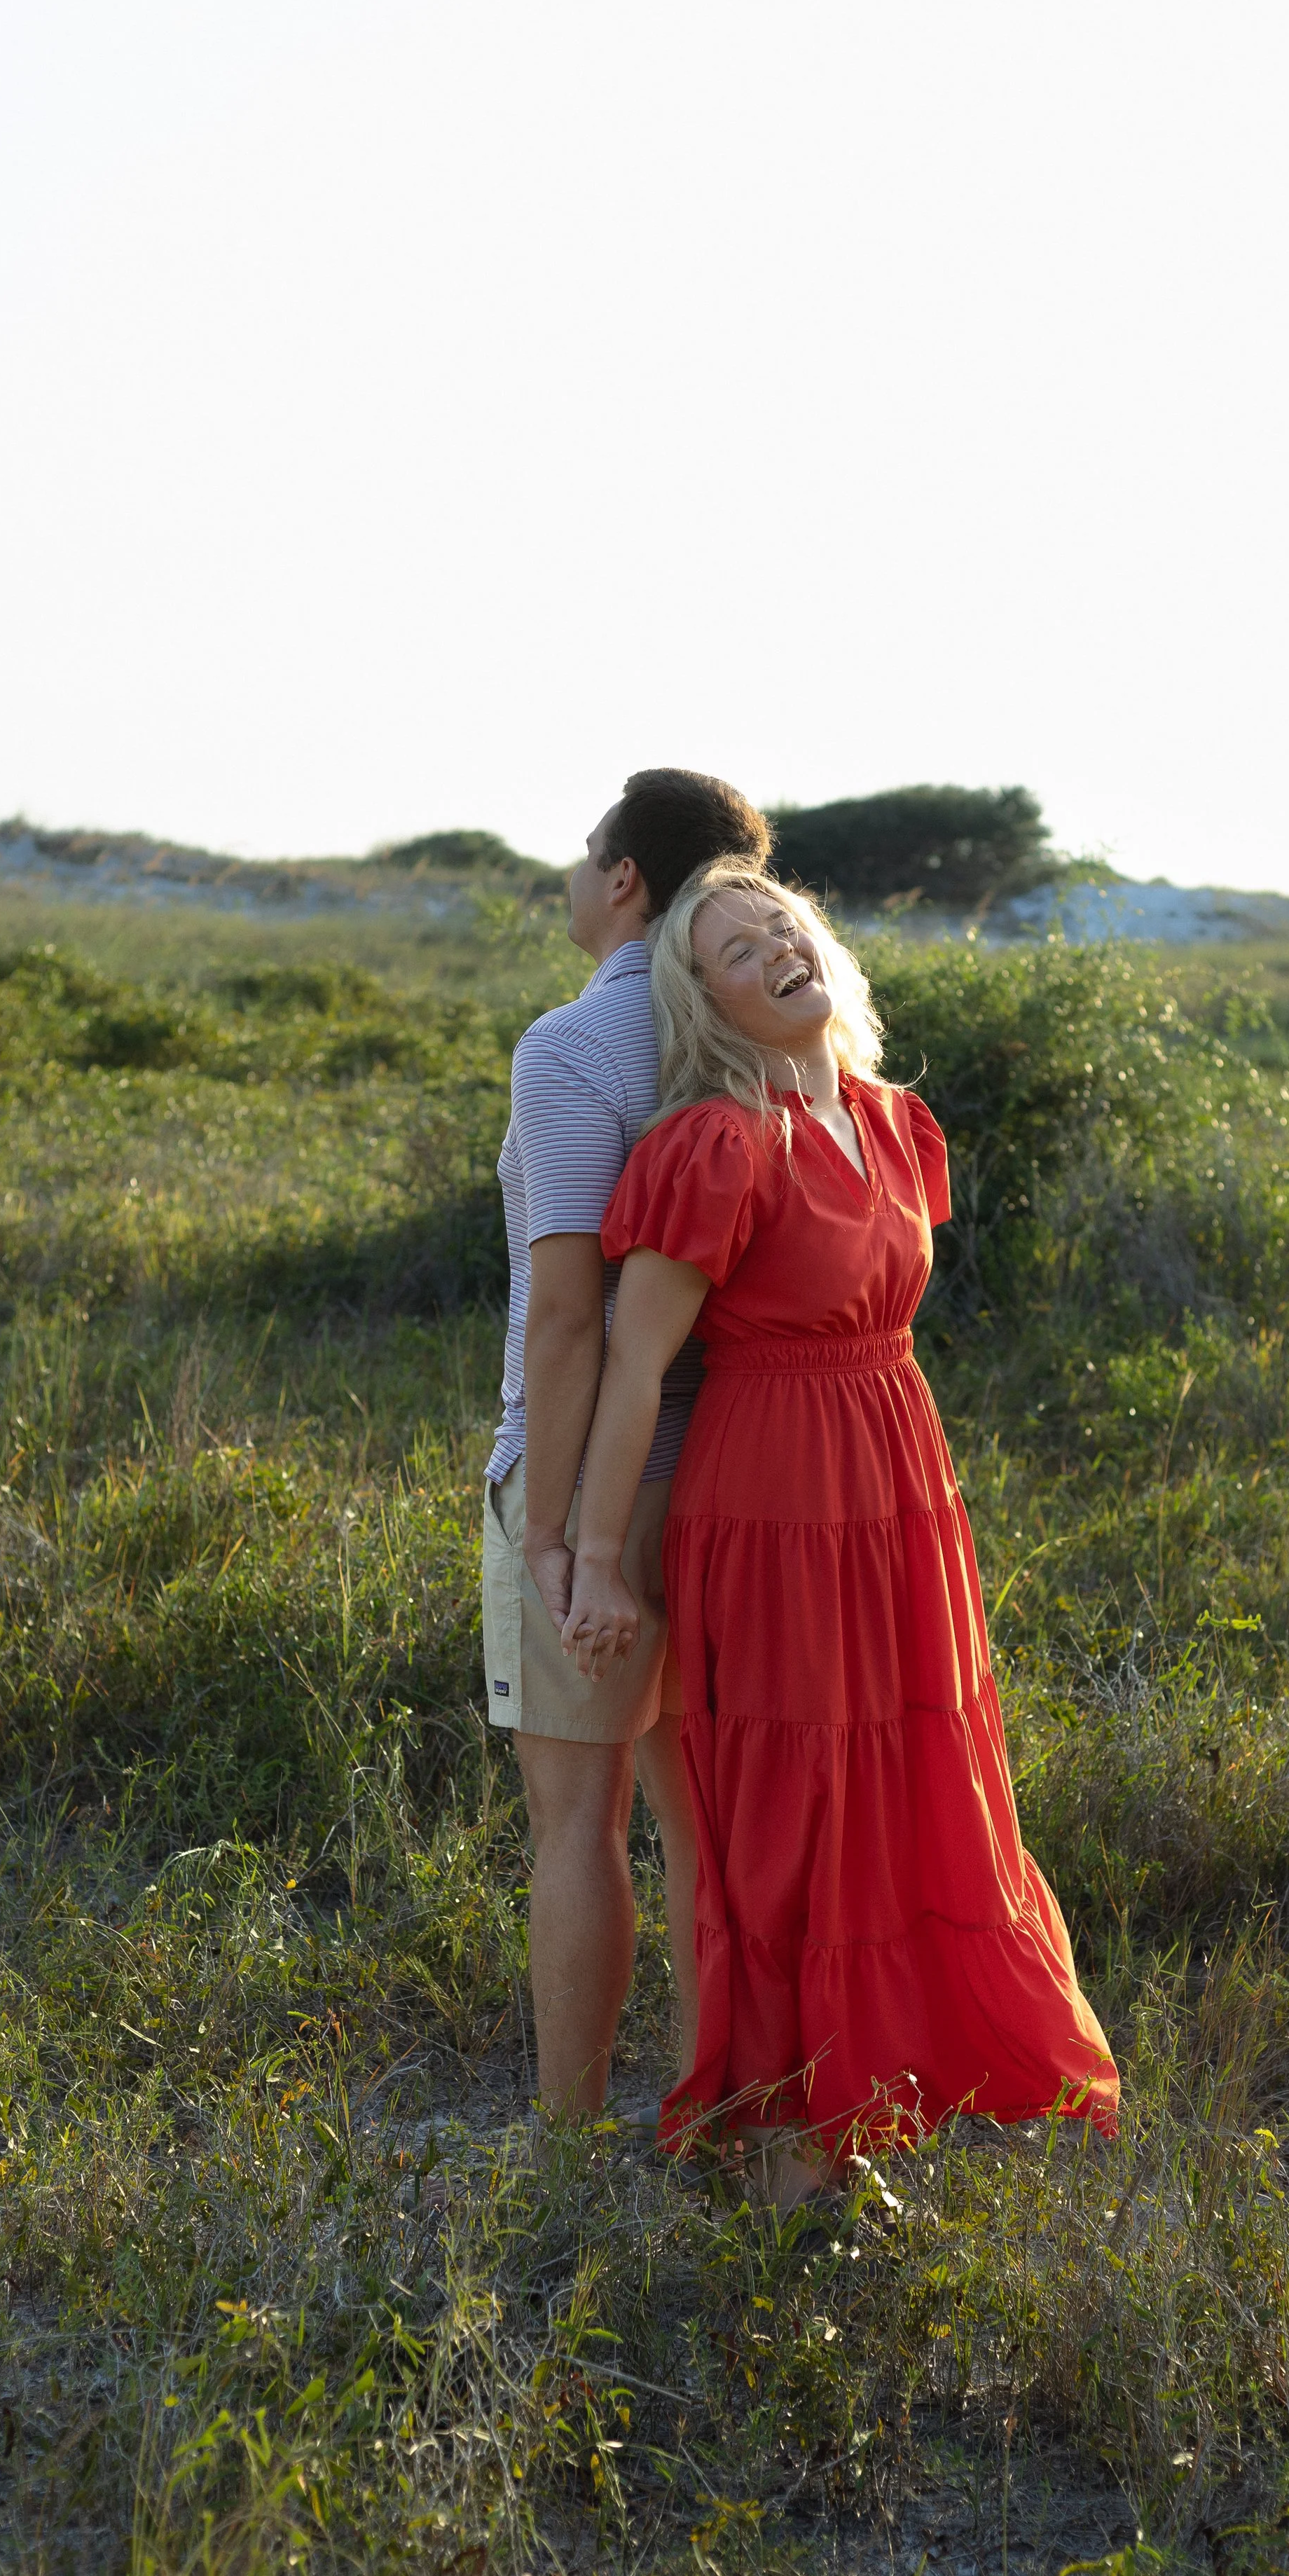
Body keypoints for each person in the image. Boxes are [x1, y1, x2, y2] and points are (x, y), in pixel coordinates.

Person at [560, 862, 1119, 2204]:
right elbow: (633, 1370)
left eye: (785, 926)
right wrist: (593, 1561)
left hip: (898, 1489)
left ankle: (883, 2095)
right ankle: (786, 2130)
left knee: (914, 1779)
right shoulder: (716, 1146)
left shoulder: (894, 1121)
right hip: (774, 1503)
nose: (776, 949)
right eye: (737, 950)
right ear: (709, 1006)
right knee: (800, 1804)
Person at [482, 771, 771, 2119]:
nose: (575, 868)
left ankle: (565, 2154)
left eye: (588, 847)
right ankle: (713, 2119)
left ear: (624, 879)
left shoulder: (573, 1045)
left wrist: (546, 1529)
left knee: (577, 1821)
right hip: (735, 1473)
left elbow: (565, 1316)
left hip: (596, 1482)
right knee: (701, 1825)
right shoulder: (754, 1030)